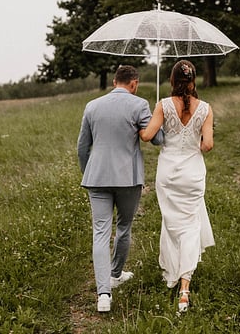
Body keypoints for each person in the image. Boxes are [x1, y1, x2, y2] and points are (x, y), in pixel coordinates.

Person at [77, 65, 163, 313]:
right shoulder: (140, 105)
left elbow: (82, 147)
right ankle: (114, 274)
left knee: (100, 232)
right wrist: (157, 115)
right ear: (134, 83)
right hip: (128, 179)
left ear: (115, 82)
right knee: (124, 227)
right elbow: (156, 139)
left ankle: (104, 294)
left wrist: (89, 173)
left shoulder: (92, 106)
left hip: (96, 178)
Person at [139, 60, 215, 313]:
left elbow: (148, 136)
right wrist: (203, 134)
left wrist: (144, 125)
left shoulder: (163, 105)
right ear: (194, 81)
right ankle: (185, 287)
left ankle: (172, 271)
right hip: (192, 175)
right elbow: (207, 146)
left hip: (168, 175)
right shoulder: (205, 108)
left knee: (172, 224)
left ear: (172, 81)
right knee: (191, 225)